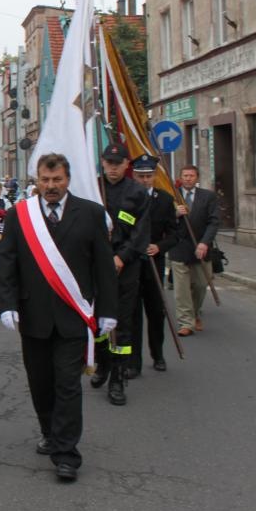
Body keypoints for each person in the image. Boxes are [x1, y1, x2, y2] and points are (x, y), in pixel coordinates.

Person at [0, 153, 118, 482]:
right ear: (37, 180)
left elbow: (103, 266)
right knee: (40, 384)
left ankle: (67, 454)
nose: (51, 186)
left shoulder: (91, 213)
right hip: (33, 314)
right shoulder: (20, 215)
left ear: (68, 179)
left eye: (57, 180)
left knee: (68, 384)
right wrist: (7, 304)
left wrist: (108, 310)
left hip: (73, 316)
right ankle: (49, 431)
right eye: (45, 180)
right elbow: (7, 262)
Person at [94, 143, 150, 406]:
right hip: (96, 264)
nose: (113, 168)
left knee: (122, 323)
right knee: (98, 321)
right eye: (109, 162)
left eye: (118, 163)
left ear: (127, 164)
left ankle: (118, 377)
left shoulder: (137, 192)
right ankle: (103, 363)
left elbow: (141, 232)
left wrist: (121, 257)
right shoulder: (93, 188)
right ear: (103, 162)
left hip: (126, 266)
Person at [130, 154, 179, 375]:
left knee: (156, 313)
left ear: (154, 176)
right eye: (141, 176)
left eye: (148, 176)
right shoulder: (127, 199)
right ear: (134, 175)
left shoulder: (165, 200)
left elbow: (174, 234)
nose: (145, 180)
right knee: (132, 315)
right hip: (132, 264)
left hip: (154, 264)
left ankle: (158, 354)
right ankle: (134, 362)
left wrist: (159, 246)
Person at [167, 164, 220, 337]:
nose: (188, 178)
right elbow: (162, 221)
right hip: (179, 247)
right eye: (185, 175)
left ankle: (195, 313)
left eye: (191, 175)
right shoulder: (172, 196)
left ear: (197, 178)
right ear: (180, 178)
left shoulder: (208, 197)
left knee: (200, 285)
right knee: (182, 290)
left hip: (201, 247)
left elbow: (214, 222)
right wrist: (174, 214)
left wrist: (204, 243)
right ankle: (185, 323)